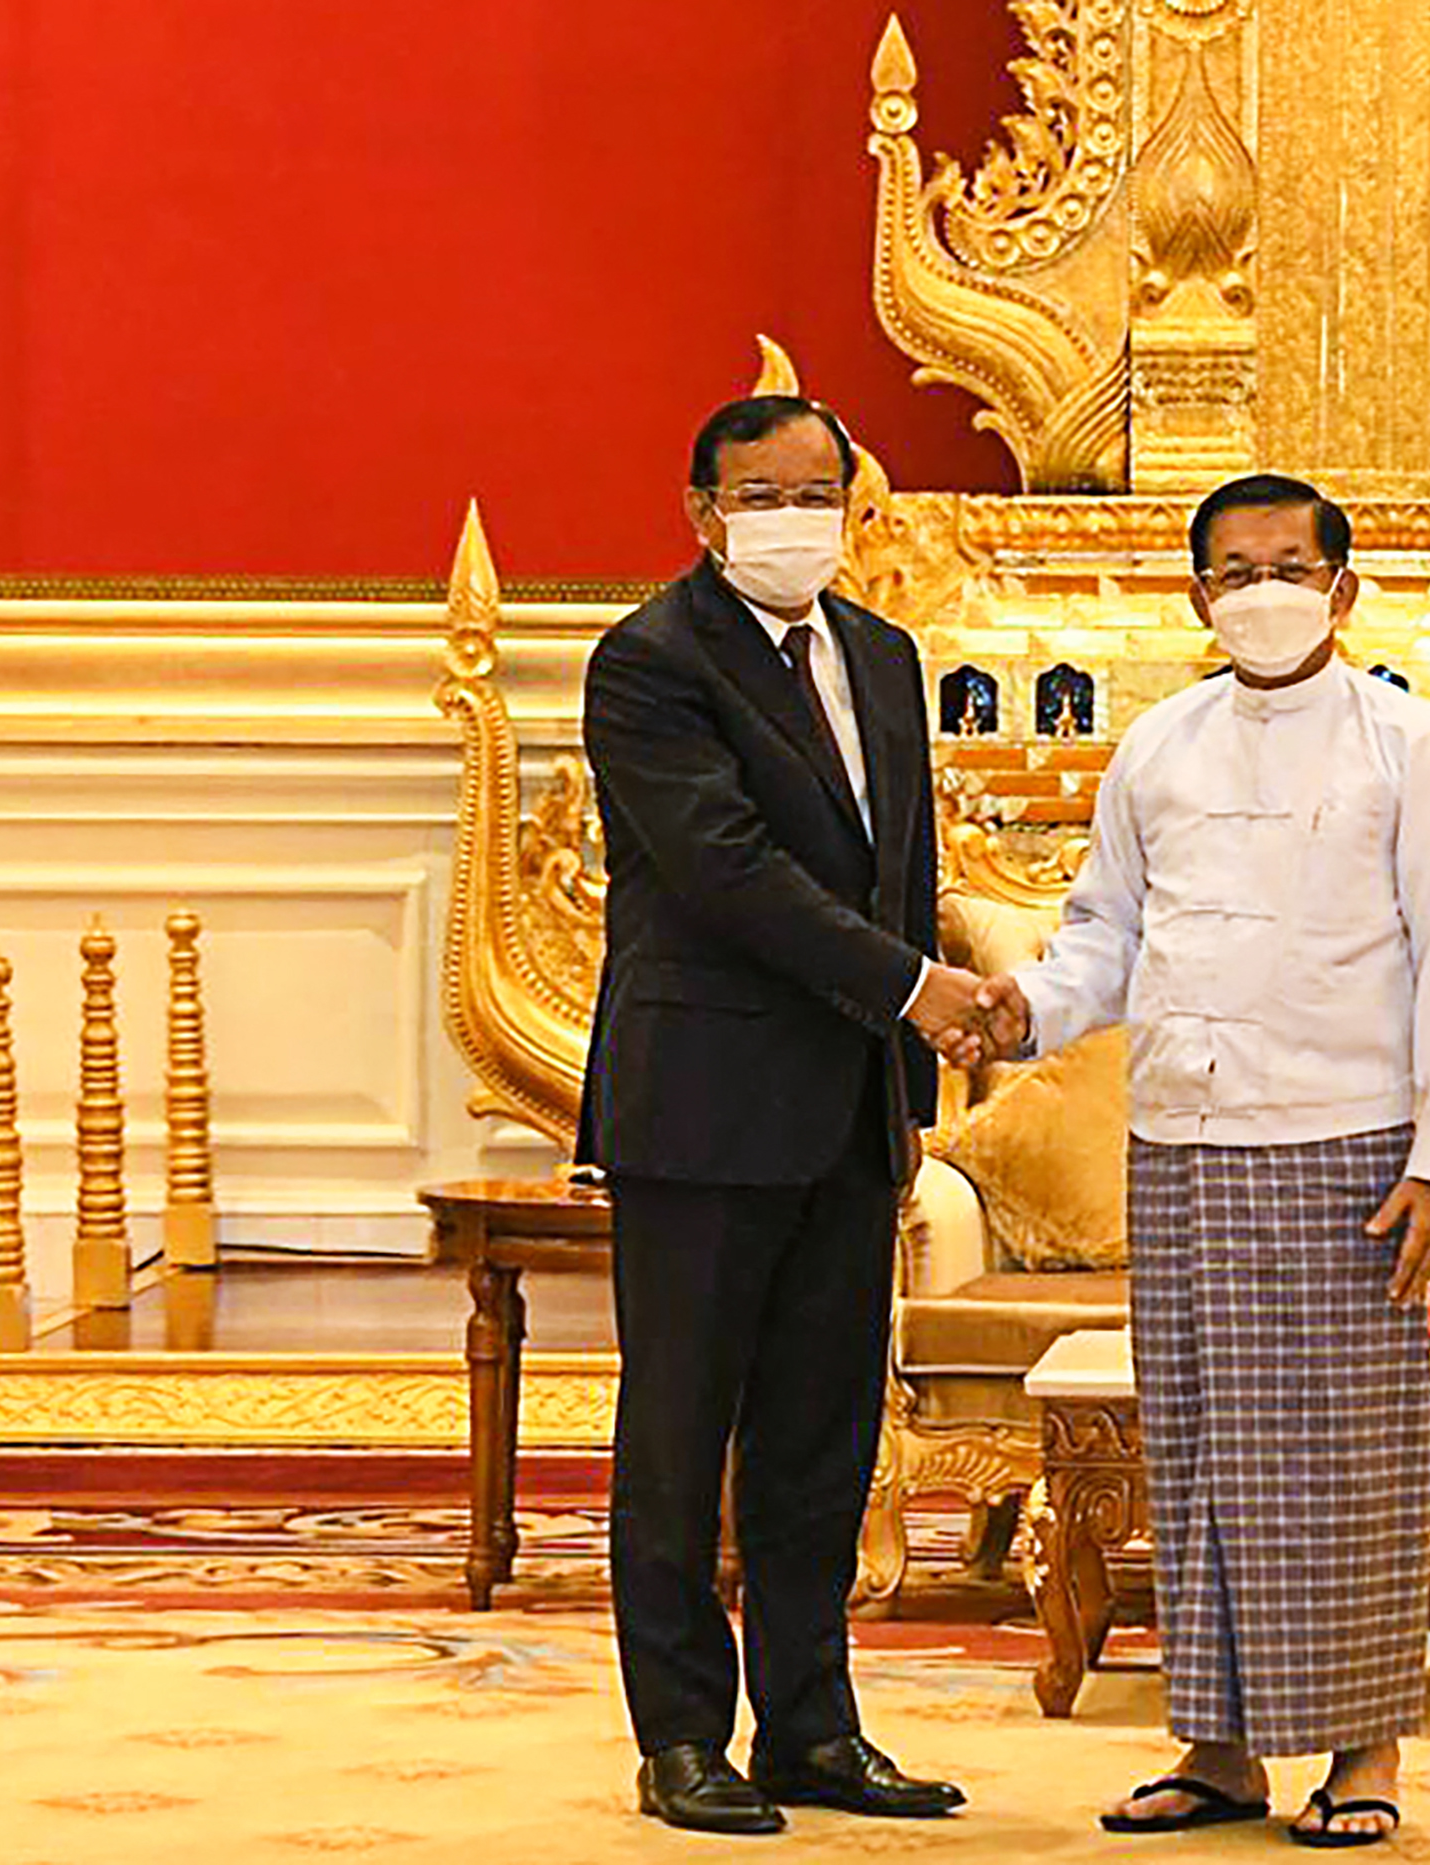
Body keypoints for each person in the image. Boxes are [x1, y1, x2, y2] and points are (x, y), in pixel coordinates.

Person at [975, 473, 1430, 1848]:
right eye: (1236, 571)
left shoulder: (1414, 748)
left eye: (1289, 567)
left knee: (1347, 1459)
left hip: (1348, 1145)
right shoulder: (1157, 746)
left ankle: (1366, 1752)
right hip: (1182, 1143)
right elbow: (1106, 934)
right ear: (1198, 594)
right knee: (1202, 1452)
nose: (1263, 593)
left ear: (1343, 587)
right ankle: (1216, 1749)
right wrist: (1028, 1009)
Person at [579, 394, 986, 1836]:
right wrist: (916, 991)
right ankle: (683, 1736)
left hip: (848, 1111)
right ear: (703, 511)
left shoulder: (882, 654)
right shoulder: (649, 661)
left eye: (818, 492)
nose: (793, 519)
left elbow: (898, 871)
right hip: (703, 1104)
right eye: (762, 496)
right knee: (681, 1434)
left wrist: (914, 1073)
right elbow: (727, 870)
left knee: (823, 1437)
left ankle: (814, 1727)